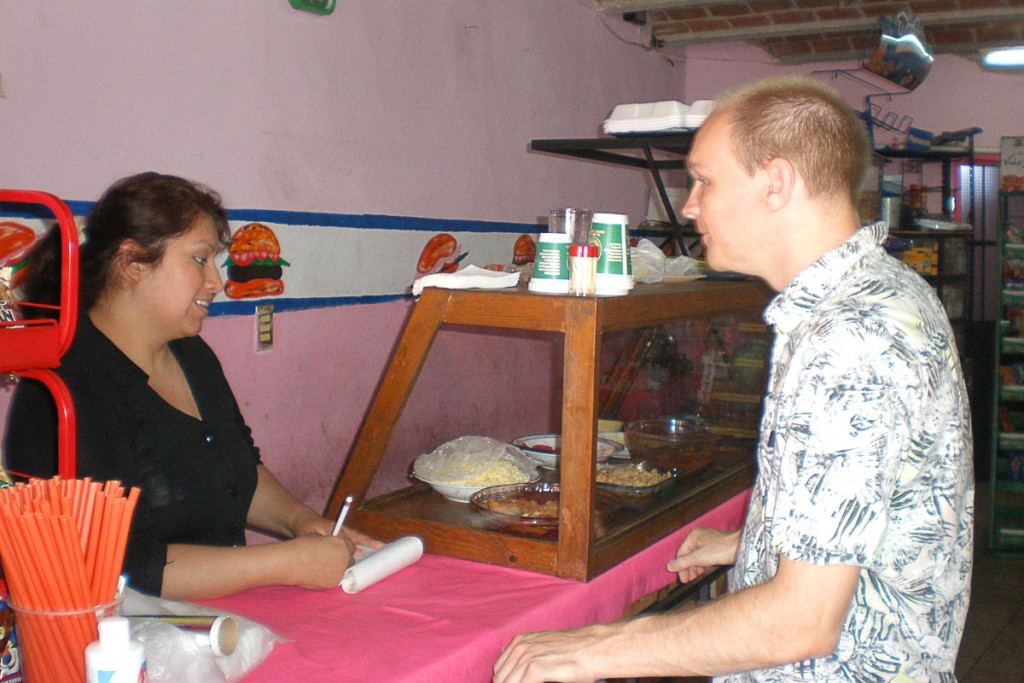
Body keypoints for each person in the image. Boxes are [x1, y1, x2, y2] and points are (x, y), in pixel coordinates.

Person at [493, 76, 974, 682]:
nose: (689, 204)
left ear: (776, 183)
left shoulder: (848, 339)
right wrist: (755, 541)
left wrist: (596, 648)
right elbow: (870, 502)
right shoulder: (886, 290)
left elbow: (803, 621)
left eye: (704, 179)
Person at [4, 172, 378, 600]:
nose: (216, 281)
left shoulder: (192, 355)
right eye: (200, 259)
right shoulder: (66, 387)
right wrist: (288, 562)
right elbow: (118, 566)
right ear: (133, 264)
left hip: (222, 621)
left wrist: (300, 521)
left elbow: (237, 468)